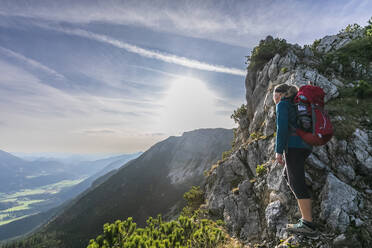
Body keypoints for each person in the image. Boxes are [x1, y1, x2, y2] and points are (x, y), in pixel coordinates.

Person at [273, 83, 318, 237]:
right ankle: (306, 217)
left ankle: (307, 223)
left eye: (274, 96)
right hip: (306, 146)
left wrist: (278, 151)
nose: (274, 99)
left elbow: (282, 128)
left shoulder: (282, 105)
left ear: (278, 95)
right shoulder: (296, 104)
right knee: (289, 176)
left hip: (293, 147)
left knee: (296, 182)